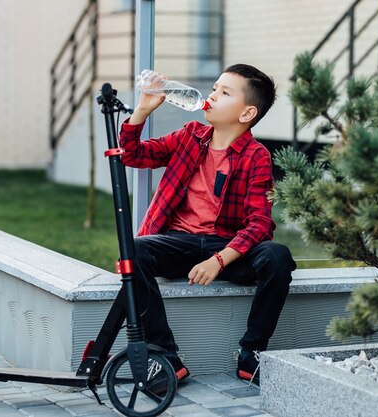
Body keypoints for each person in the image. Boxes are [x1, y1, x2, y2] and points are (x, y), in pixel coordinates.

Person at [119, 64, 297, 388]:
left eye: (224, 93)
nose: (212, 95)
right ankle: (165, 357)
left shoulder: (256, 156)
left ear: (247, 114)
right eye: (215, 88)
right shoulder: (189, 136)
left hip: (226, 248)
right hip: (179, 242)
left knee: (277, 256)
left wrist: (219, 260)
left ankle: (253, 351)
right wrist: (142, 111)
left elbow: (259, 223)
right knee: (134, 248)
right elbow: (132, 155)